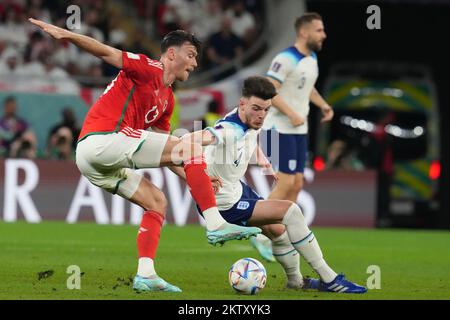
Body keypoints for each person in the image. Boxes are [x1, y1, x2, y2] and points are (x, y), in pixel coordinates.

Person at [29, 18, 261, 293]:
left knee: (157, 201)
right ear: (171, 54)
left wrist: (196, 176)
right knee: (189, 146)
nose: (195, 63)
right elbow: (106, 52)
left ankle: (146, 275)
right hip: (103, 138)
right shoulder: (149, 67)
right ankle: (214, 223)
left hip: (95, 161)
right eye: (191, 55)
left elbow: (168, 150)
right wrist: (67, 34)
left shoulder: (168, 100)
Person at [185, 76, 367, 293]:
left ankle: (295, 282)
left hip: (237, 189)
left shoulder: (246, 118)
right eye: (256, 108)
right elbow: (192, 141)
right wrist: (199, 174)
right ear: (242, 103)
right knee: (291, 211)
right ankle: (330, 278)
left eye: (266, 109)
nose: (261, 115)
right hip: (224, 203)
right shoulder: (230, 129)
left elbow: (248, 139)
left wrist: (262, 160)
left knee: (277, 230)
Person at [261, 12, 334, 204]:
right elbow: (269, 90)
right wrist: (291, 114)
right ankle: (260, 229)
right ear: (303, 33)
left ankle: (285, 229)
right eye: (319, 30)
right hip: (277, 129)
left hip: (299, 130)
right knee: (285, 183)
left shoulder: (312, 59)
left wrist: (324, 105)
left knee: (297, 184)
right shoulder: (285, 58)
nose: (324, 35)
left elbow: (307, 87)